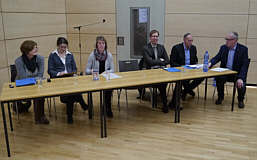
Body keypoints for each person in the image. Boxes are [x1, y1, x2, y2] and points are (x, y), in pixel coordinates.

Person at [48, 37, 88, 124]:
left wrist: (73, 73)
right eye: (62, 47)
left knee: (72, 92)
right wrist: (59, 73)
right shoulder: (52, 55)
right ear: (58, 46)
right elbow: (50, 70)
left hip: (70, 78)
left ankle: (70, 116)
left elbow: (74, 68)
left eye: (65, 47)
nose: (63, 49)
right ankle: (82, 104)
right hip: (59, 79)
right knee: (72, 93)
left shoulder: (70, 54)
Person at [209, 32, 249, 108]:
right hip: (225, 73)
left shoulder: (243, 49)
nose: (226, 41)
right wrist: (210, 63)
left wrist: (241, 78)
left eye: (228, 39)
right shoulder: (223, 48)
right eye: (226, 39)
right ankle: (220, 97)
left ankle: (240, 100)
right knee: (219, 78)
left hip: (237, 73)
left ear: (235, 40)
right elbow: (217, 57)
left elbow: (244, 65)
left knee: (241, 83)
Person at [15, 40, 49, 124]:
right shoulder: (19, 61)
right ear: (27, 51)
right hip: (23, 86)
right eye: (34, 48)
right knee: (35, 95)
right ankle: (38, 116)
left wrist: (36, 79)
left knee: (40, 95)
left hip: (36, 85)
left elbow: (41, 74)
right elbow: (23, 77)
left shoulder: (40, 58)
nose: (37, 49)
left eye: (36, 47)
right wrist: (36, 79)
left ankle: (40, 117)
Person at [169, 33, 204, 107]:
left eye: (192, 41)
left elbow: (195, 60)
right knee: (181, 81)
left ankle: (185, 91)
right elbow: (172, 62)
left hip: (191, 71)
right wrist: (182, 68)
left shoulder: (193, 48)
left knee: (201, 77)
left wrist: (196, 66)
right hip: (180, 71)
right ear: (184, 40)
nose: (191, 42)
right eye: (189, 40)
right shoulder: (176, 48)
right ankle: (175, 102)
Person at [85, 36, 115, 118]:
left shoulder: (109, 55)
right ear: (96, 45)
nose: (101, 45)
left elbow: (113, 69)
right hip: (95, 79)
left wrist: (107, 72)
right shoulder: (92, 55)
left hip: (105, 78)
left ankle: (107, 108)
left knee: (109, 89)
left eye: (103, 43)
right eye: (99, 43)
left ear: (105, 45)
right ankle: (91, 110)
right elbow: (86, 70)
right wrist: (92, 71)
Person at [142, 29, 169, 113]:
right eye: (153, 36)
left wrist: (156, 61)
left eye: (157, 36)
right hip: (150, 71)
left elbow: (167, 60)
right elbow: (149, 62)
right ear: (150, 38)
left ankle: (163, 101)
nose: (155, 38)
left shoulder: (161, 47)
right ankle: (165, 104)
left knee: (164, 81)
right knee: (162, 83)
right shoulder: (145, 48)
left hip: (161, 70)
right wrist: (160, 60)